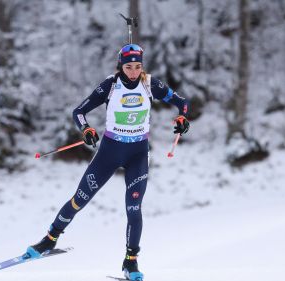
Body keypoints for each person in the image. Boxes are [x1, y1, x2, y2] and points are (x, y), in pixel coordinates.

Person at [26, 44, 190, 281]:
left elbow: (182, 101)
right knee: (79, 199)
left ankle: (130, 262)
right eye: (128, 66)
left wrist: (183, 116)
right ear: (120, 66)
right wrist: (86, 129)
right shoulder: (110, 85)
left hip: (138, 154)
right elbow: (79, 111)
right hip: (110, 152)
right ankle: (50, 239)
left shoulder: (150, 83)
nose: (133, 72)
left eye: (137, 66)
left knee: (134, 209)